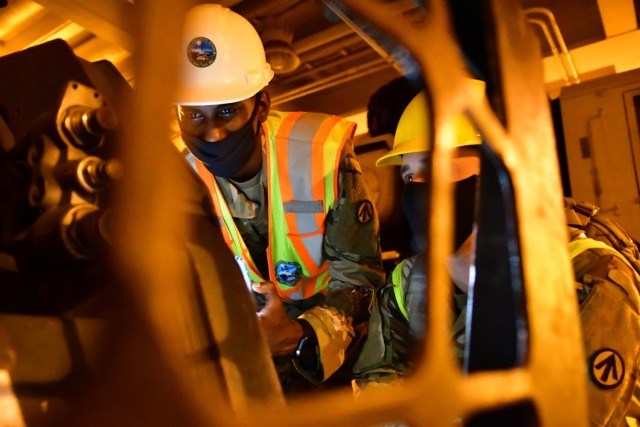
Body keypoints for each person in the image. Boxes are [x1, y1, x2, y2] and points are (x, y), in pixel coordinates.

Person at [352, 83, 640, 426]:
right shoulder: (407, 281)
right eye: (410, 175)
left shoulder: (586, 275)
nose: (417, 188)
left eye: (433, 166)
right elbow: (376, 386)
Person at [174, 4, 385, 393]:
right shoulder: (177, 182)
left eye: (227, 111)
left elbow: (359, 275)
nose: (213, 134)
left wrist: (299, 335)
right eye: (194, 115)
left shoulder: (320, 152)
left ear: (262, 105)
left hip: (327, 342)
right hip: (245, 353)